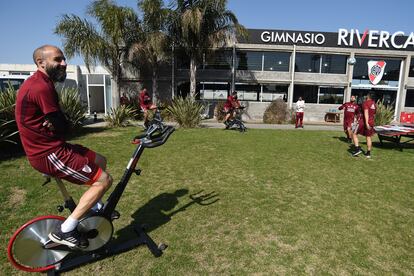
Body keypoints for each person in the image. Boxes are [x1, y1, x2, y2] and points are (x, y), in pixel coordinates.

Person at [15, 45, 113, 248]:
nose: (64, 63)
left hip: (55, 146)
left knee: (100, 161)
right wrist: (60, 122)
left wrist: (59, 122)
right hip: (48, 153)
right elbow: (63, 125)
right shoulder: (40, 87)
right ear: (41, 63)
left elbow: (60, 123)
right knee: (103, 181)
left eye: (64, 59)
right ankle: (65, 230)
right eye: (58, 60)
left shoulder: (41, 82)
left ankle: (95, 210)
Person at [352, 93, 376, 158]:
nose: (365, 96)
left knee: (354, 134)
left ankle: (357, 149)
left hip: (363, 122)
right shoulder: (374, 104)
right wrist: (371, 122)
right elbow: (374, 114)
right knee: (368, 137)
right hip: (371, 122)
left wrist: (366, 123)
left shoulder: (365, 103)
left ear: (368, 96)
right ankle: (368, 153)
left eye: (366, 95)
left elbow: (366, 112)